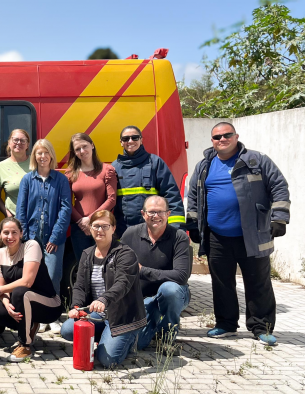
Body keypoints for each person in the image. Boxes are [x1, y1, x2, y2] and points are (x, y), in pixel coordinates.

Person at [186, 122, 290, 346]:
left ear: (236, 136)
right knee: (221, 282)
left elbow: (279, 186)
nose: (222, 139)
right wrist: (193, 224)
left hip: (252, 234)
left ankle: (261, 327)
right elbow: (193, 194)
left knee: (258, 282)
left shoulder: (256, 160)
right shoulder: (205, 165)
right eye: (217, 137)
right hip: (217, 236)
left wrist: (279, 217)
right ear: (212, 140)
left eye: (227, 135)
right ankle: (225, 324)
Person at [61, 210, 145, 368]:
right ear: (90, 229)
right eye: (96, 226)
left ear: (113, 228)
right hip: (98, 314)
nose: (100, 230)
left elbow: (123, 283)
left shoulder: (125, 254)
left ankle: (131, 338)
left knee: (107, 360)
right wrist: (77, 307)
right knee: (67, 329)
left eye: (105, 226)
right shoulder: (87, 254)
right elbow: (79, 286)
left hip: (122, 316)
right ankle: (106, 337)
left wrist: (104, 299)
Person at [0, 218, 63, 362]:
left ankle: (25, 345)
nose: (10, 237)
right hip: (22, 300)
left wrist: (0, 289)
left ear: (21, 233)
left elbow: (27, 281)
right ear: (0, 235)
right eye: (6, 233)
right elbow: (3, 289)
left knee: (21, 292)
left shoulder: (31, 246)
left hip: (49, 304)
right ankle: (30, 325)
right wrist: (7, 304)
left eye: (14, 232)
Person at [122, 196, 191, 351]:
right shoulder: (130, 234)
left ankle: (167, 337)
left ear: (168, 214)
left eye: (161, 212)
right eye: (151, 212)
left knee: (169, 290)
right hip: (143, 298)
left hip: (173, 295)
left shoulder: (179, 237)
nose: (156, 216)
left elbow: (181, 276)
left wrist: (143, 271)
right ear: (143, 214)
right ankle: (154, 325)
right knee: (138, 343)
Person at [15, 139, 72, 300]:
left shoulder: (61, 180)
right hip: (31, 237)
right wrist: (25, 238)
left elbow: (65, 208)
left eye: (46, 152)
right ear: (34, 156)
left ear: (51, 155)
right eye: (39, 153)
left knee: (53, 275)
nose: (43, 156)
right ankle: (35, 312)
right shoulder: (27, 179)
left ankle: (52, 313)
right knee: (32, 275)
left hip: (54, 237)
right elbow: (21, 210)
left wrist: (55, 237)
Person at [112, 125, 184, 236]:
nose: (130, 141)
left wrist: (175, 229)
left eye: (134, 137)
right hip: (123, 231)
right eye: (126, 139)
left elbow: (171, 195)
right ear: (121, 142)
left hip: (153, 230)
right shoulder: (115, 167)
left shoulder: (155, 162)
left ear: (141, 140)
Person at [65, 133, 116, 261]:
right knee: (83, 267)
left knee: (104, 266)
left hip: (102, 226)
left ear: (92, 145)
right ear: (74, 152)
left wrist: (91, 219)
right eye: (77, 149)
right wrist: (81, 222)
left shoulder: (107, 170)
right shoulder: (70, 173)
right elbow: (65, 202)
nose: (82, 151)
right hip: (79, 229)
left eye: (85, 146)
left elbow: (111, 199)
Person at [0, 129, 32, 220]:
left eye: (23, 140)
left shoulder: (36, 163)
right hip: (15, 220)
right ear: (9, 143)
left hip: (36, 219)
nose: (19, 143)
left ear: (27, 144)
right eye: (15, 140)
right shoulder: (0, 167)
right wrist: (8, 214)